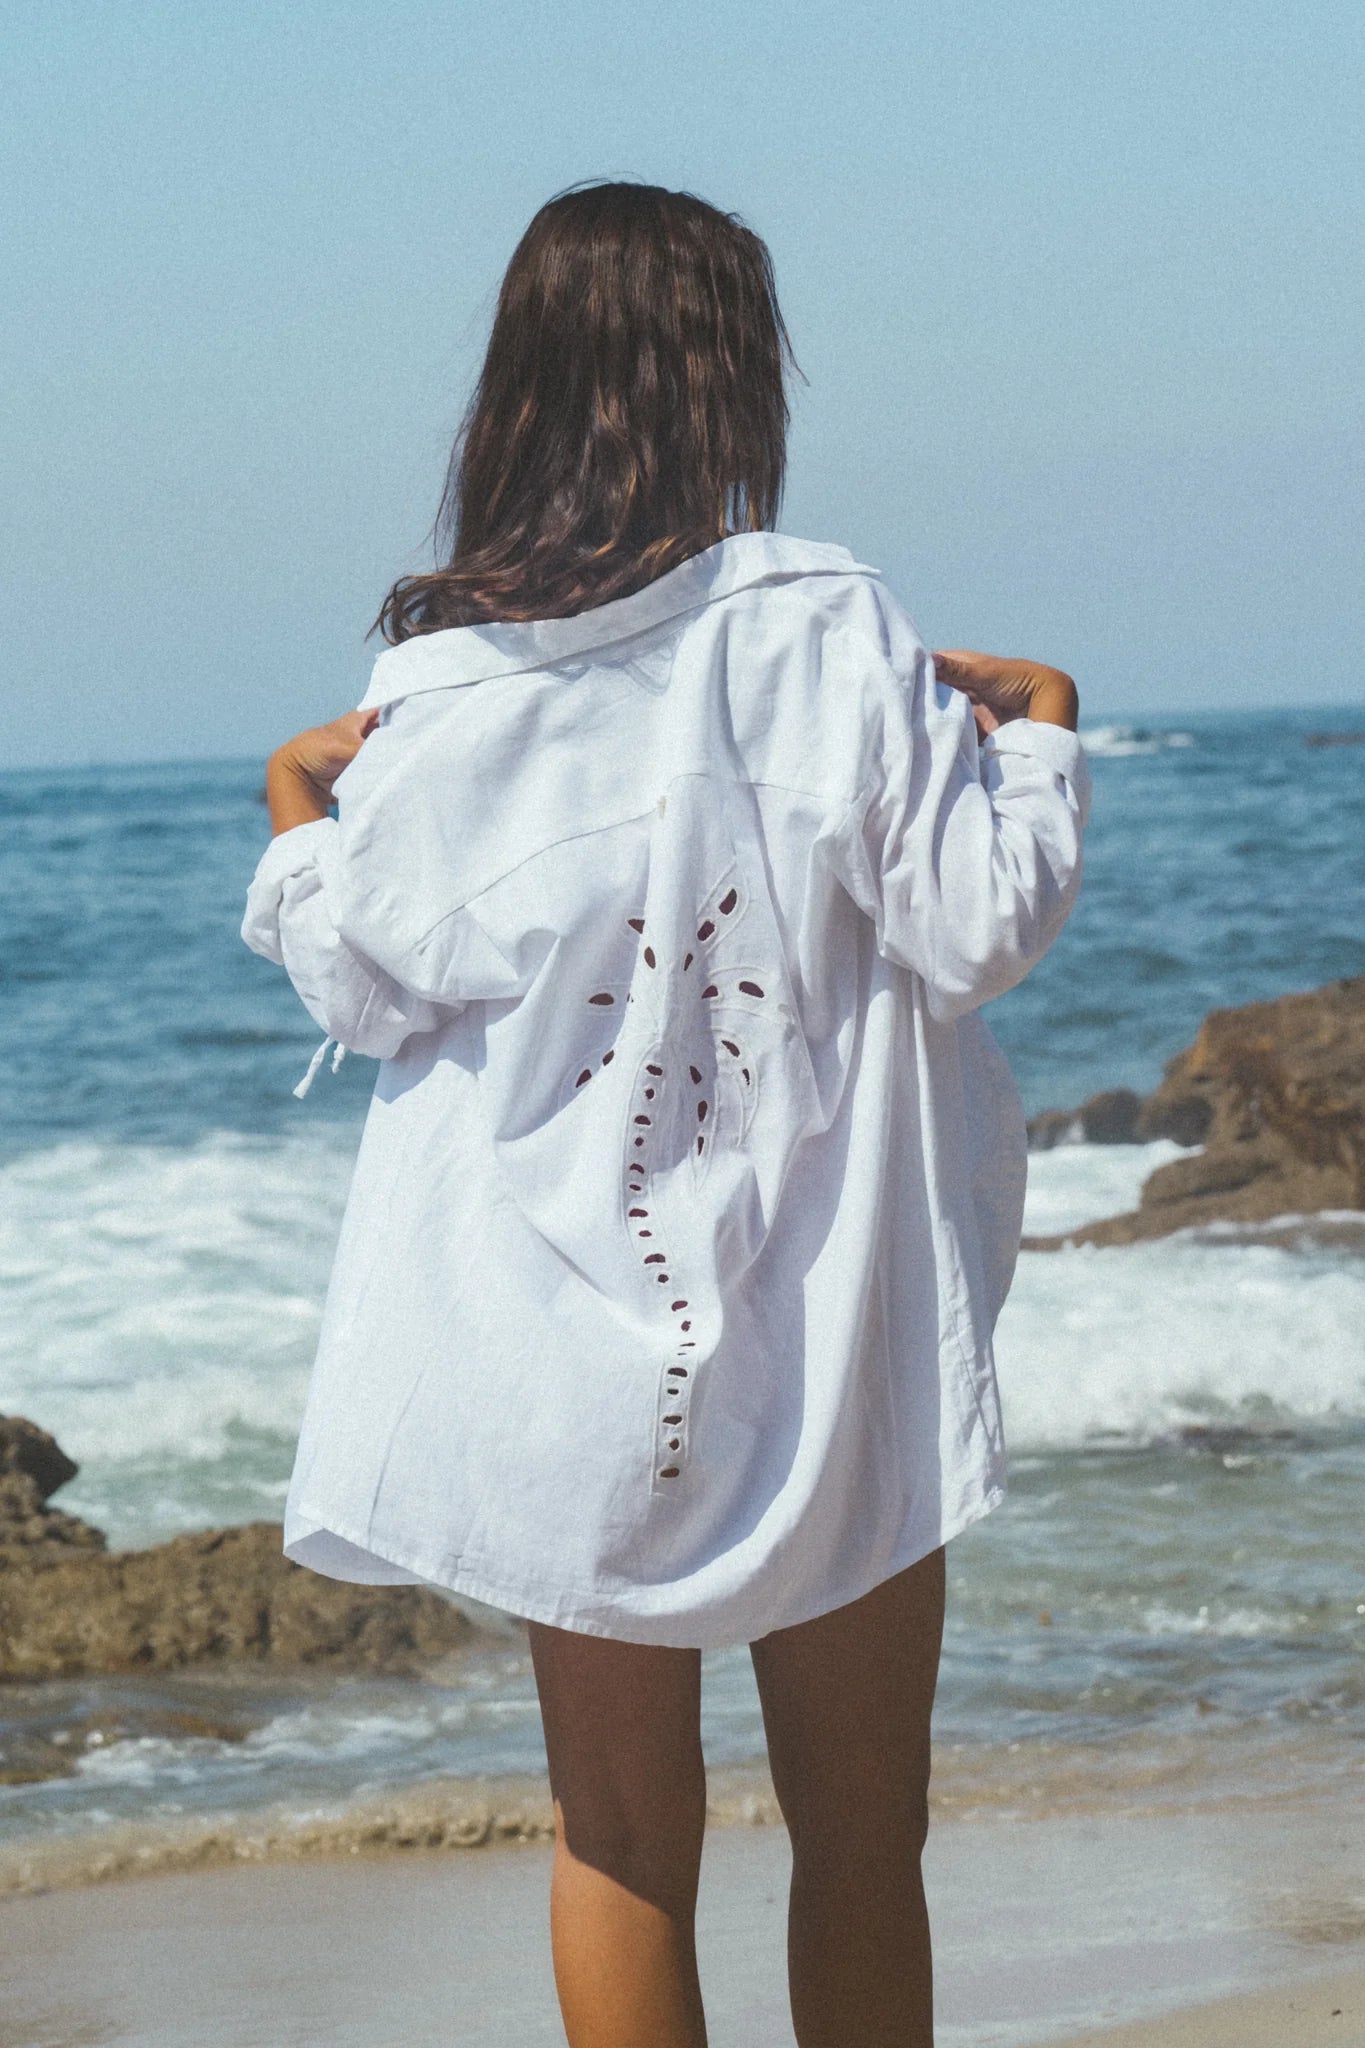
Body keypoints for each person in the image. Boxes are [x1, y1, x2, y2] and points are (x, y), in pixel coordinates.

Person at [241, 180, 1088, 2048]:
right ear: (730, 384)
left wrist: (298, 821)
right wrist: (1036, 730)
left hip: (556, 1341)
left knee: (620, 1834)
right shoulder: (822, 619)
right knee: (865, 1833)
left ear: (517, 388)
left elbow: (370, 992)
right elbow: (973, 928)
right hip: (831, 1323)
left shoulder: (439, 687)